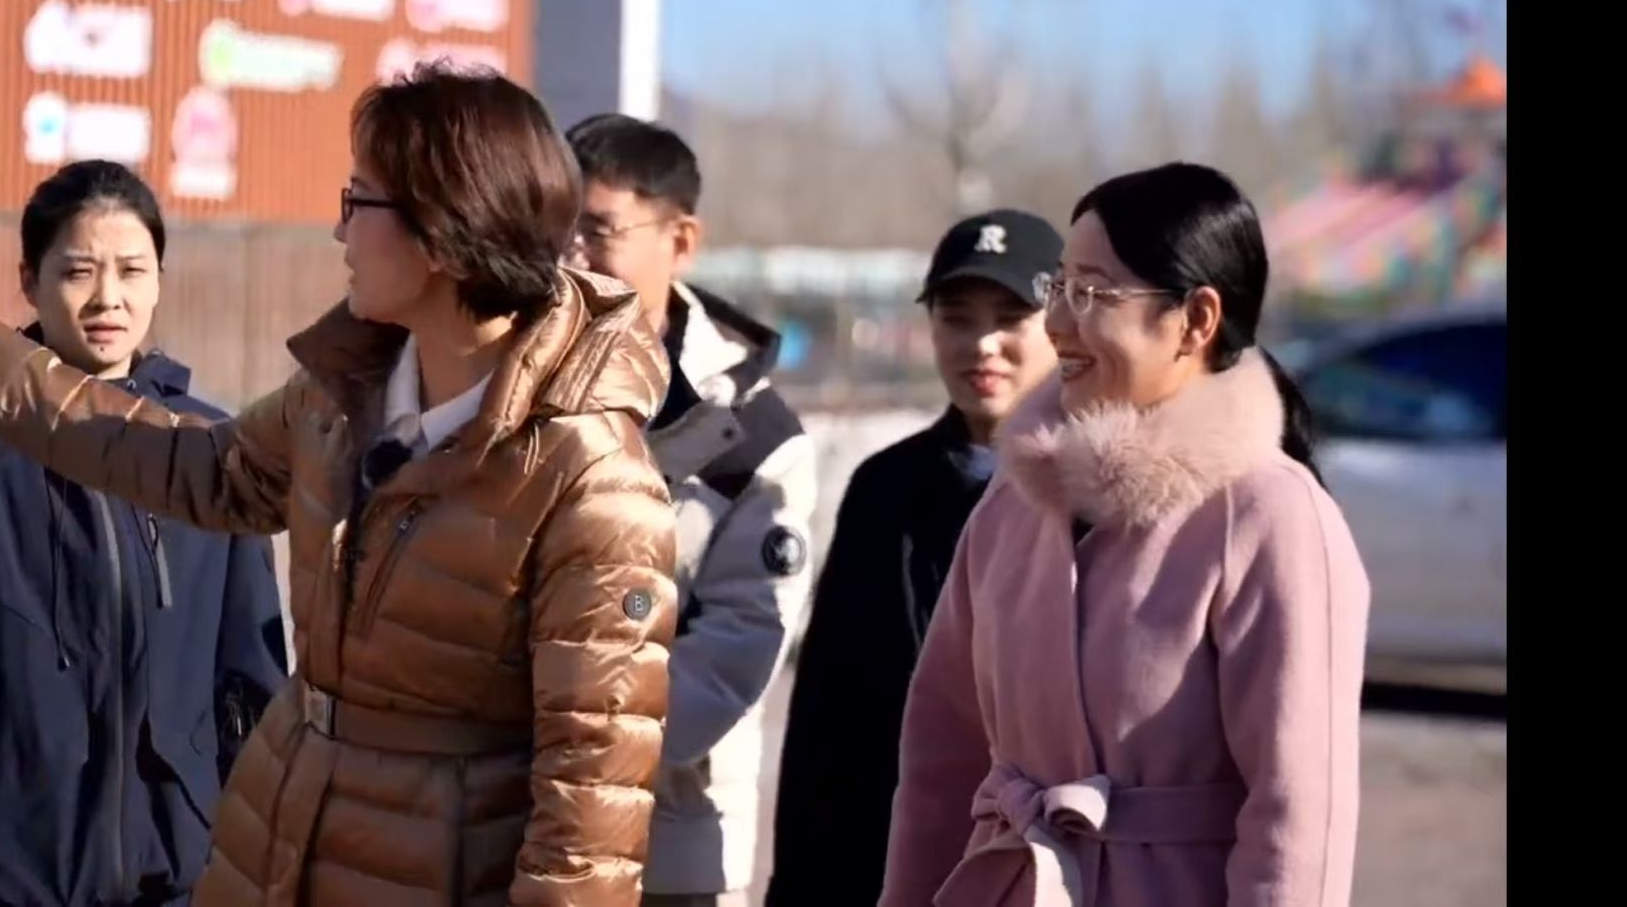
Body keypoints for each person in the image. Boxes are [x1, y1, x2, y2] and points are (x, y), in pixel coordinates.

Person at [0, 64, 680, 906]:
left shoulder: (593, 481)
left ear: (442, 232)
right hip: (278, 855)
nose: (339, 230)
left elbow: (588, 818)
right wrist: (13, 385)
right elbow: (208, 471)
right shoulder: (341, 397)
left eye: (360, 201)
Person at [880, 163, 1371, 906]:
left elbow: (1300, 817)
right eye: (1058, 288)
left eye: (1092, 294)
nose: (1057, 323)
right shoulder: (1014, 504)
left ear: (1196, 320)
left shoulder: (1271, 516)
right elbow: (940, 761)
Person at [0, 160, 290, 906]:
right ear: (29, 280)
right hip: (10, 882)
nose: (108, 297)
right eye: (79, 271)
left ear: (159, 281)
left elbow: (253, 689)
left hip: (181, 880)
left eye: (132, 270)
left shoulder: (206, 448)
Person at [767, 210, 1062, 907]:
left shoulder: (1097, 498)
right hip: (888, 862)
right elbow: (825, 718)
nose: (983, 344)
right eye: (957, 319)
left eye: (1011, 318)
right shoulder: (885, 491)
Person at [564, 113, 817, 907]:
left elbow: (737, 647)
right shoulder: (513, 380)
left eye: (597, 230)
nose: (570, 254)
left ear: (681, 241)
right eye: (554, 226)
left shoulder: (754, 439)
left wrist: (569, 730)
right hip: (505, 828)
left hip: (665, 846)